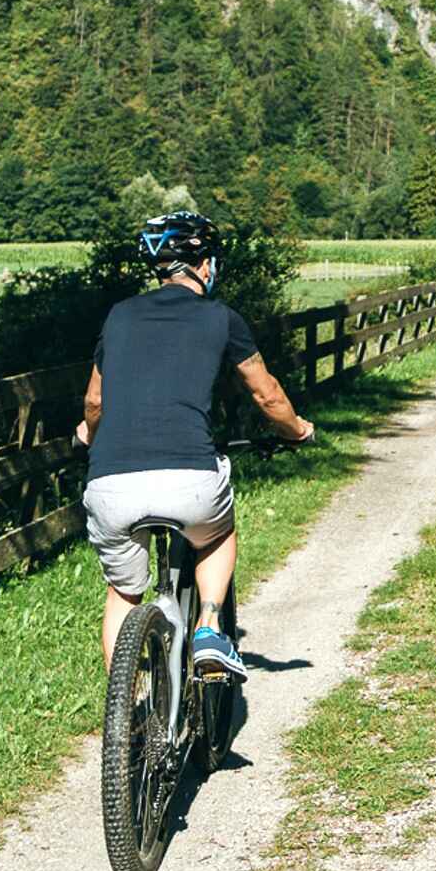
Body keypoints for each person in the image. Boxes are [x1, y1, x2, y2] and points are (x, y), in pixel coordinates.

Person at [75, 211, 314, 680]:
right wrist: (297, 430)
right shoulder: (220, 318)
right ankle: (208, 625)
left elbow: (94, 401)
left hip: (109, 485)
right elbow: (267, 395)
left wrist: (88, 434)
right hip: (190, 480)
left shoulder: (119, 316)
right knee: (219, 533)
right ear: (204, 264)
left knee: (123, 593)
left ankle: (128, 719)